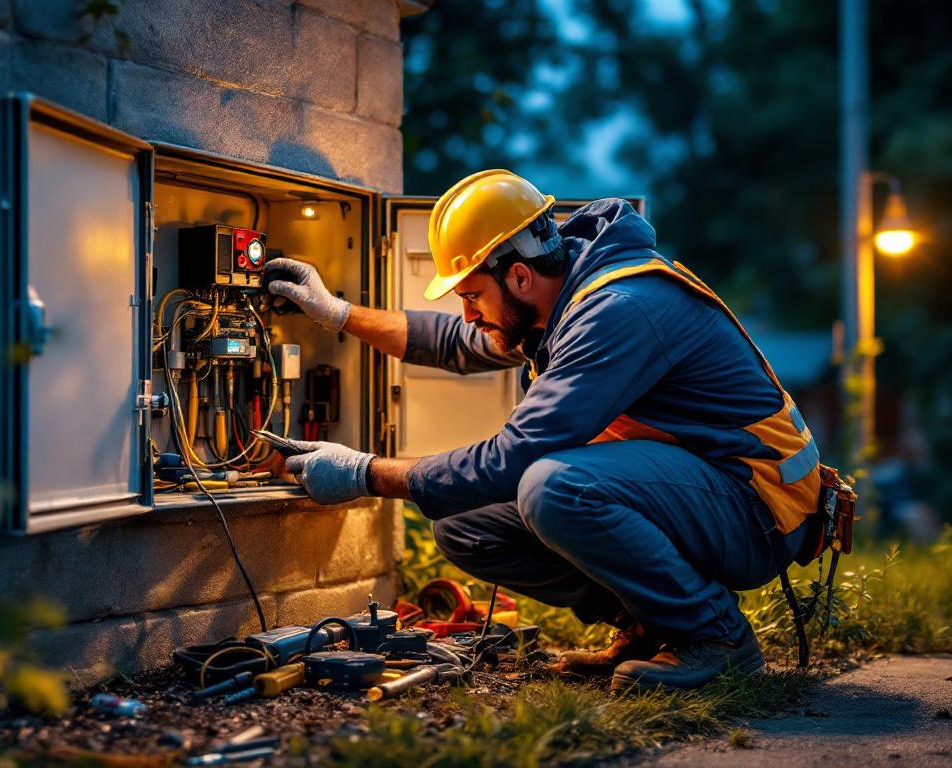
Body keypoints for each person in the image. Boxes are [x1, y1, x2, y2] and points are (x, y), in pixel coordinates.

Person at [263, 170, 819, 691]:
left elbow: (515, 456)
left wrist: (364, 473)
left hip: (758, 513)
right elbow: (456, 343)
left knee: (553, 485)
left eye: (472, 296)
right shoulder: (566, 293)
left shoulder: (619, 309)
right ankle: (654, 623)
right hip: (710, 492)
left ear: (520, 276)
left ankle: (715, 634)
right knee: (464, 524)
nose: (469, 314)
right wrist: (336, 313)